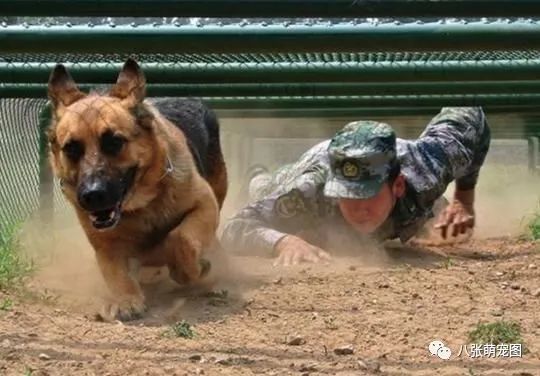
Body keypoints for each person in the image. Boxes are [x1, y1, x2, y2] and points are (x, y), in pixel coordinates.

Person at [221, 107, 491, 266]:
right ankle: (258, 174)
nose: (360, 208)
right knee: (265, 189)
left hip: (408, 202)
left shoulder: (429, 164)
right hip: (307, 169)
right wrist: (282, 241)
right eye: (348, 195)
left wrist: (463, 199)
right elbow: (235, 227)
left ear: (397, 185)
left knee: (436, 221)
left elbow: (472, 115)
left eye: (369, 195)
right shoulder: (311, 189)